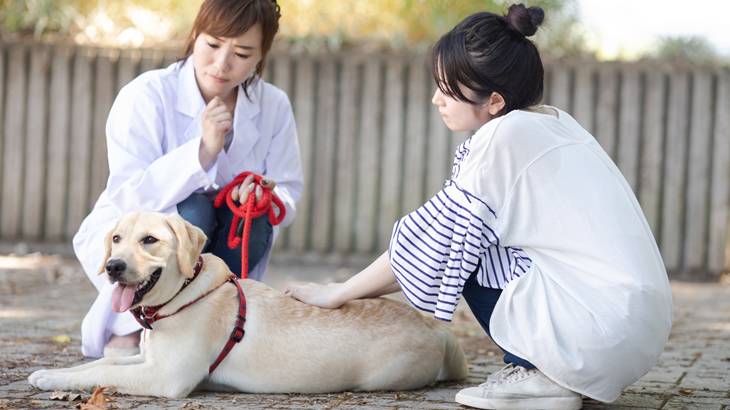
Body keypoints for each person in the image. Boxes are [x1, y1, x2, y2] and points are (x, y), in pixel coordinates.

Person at [286, 4, 672, 409]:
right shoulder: (555, 123)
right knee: (474, 229)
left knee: (464, 237)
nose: (436, 99)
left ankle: (536, 373)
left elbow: (432, 240)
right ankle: (560, 372)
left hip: (594, 330)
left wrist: (338, 292)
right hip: (632, 330)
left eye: (449, 87)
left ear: (494, 100)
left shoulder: (504, 136)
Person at [73, 0, 303, 359]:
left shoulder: (273, 104)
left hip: (227, 241)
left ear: (261, 55)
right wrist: (203, 152)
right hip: (147, 237)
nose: (222, 64)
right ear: (195, 36)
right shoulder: (146, 94)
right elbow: (128, 194)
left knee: (253, 219)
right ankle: (136, 326)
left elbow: (288, 191)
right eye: (212, 44)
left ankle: (218, 330)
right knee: (191, 213)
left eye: (242, 53)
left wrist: (262, 196)